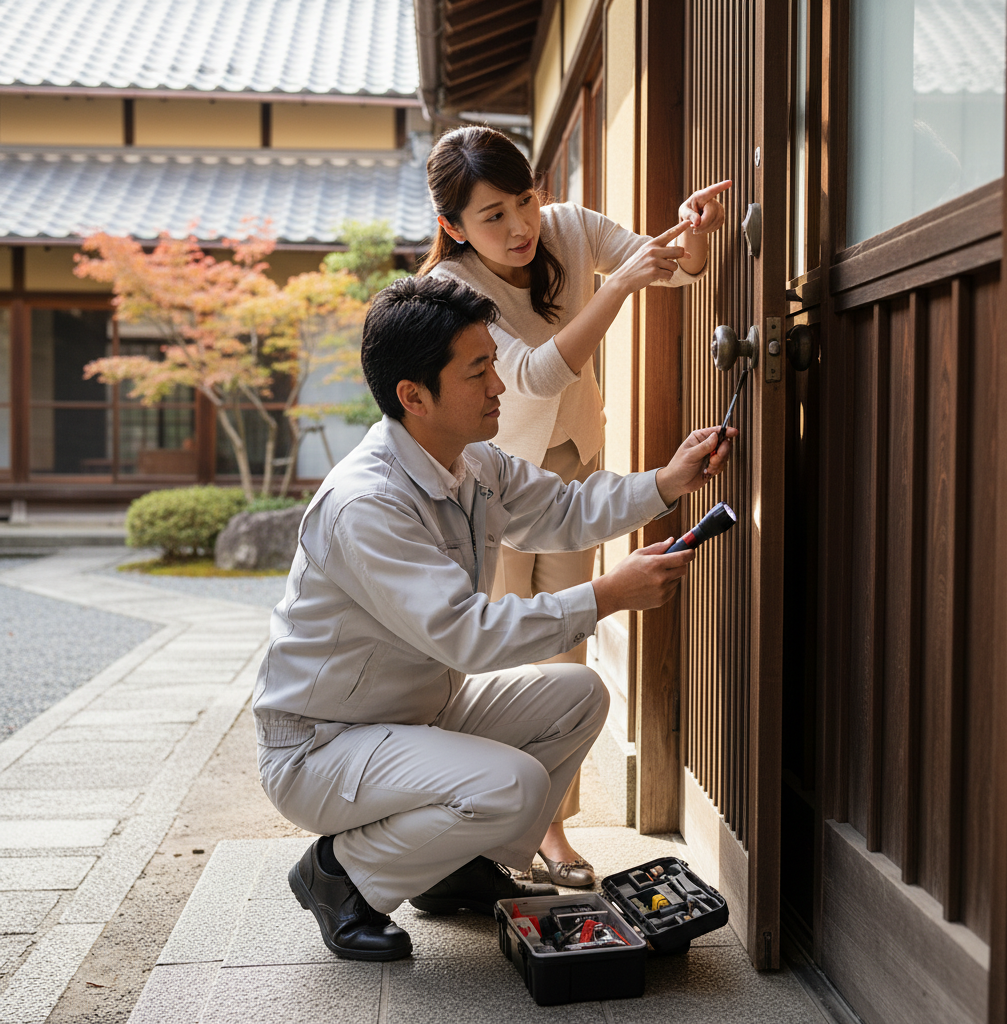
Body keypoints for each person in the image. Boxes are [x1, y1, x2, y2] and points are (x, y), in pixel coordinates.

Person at [252, 275, 735, 961]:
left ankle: (450, 868)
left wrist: (667, 482)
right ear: (413, 397)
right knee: (514, 784)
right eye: (478, 371)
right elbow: (467, 635)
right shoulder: (366, 504)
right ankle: (340, 877)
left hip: (409, 717)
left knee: (578, 695)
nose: (499, 388)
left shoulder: (472, 460)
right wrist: (607, 595)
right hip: (321, 747)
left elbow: (563, 512)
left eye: (494, 366)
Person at [421, 125, 730, 886]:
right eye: (492, 216)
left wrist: (691, 235)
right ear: (454, 226)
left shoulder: (567, 227)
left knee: (567, 651)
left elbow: (674, 270)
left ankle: (552, 829)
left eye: (525, 200)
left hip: (569, 474)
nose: (520, 226)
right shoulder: (450, 289)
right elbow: (530, 377)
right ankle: (485, 824)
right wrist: (620, 285)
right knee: (494, 659)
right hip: (486, 482)